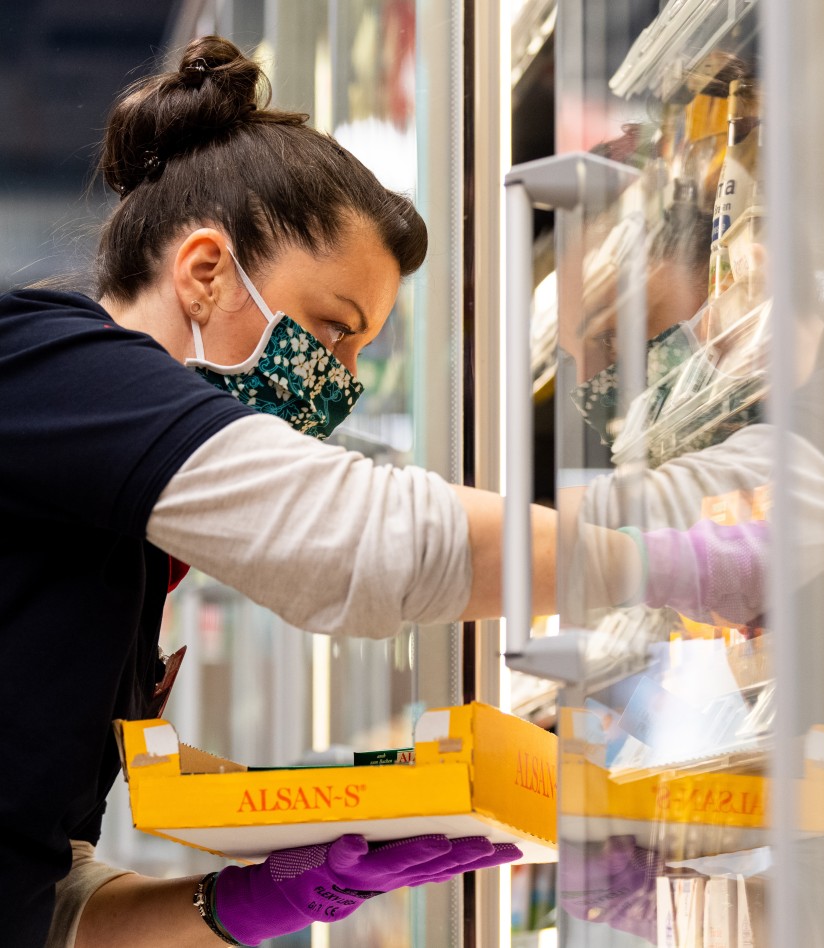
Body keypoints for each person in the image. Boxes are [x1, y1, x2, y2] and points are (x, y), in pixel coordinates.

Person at [0, 35, 572, 947]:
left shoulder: (126, 546)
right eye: (330, 330)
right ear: (203, 271)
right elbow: (357, 540)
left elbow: (47, 900)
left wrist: (259, 901)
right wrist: (659, 552)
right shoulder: (40, 367)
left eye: (360, 353)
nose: (340, 379)